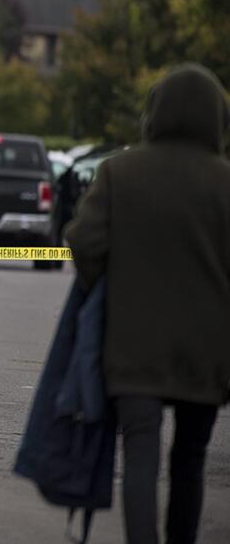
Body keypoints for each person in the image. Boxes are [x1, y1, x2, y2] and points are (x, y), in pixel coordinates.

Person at [65, 64, 230, 544]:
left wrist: (115, 286)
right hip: (208, 351)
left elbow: (83, 242)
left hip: (133, 346)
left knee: (140, 454)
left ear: (153, 113)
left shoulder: (120, 172)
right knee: (191, 459)